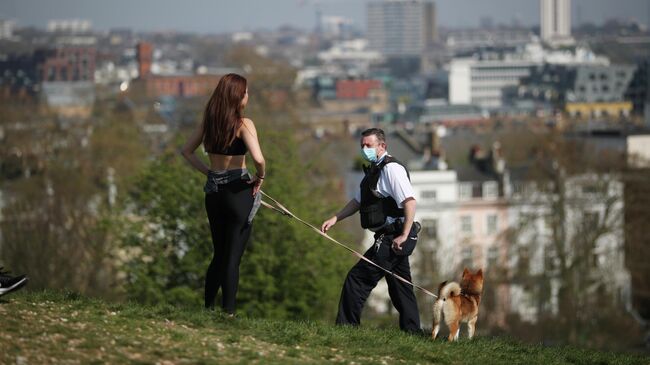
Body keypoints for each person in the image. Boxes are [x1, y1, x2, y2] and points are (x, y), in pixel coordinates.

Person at [321, 128, 421, 333]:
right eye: (362, 145)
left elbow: (410, 202)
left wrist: (403, 234)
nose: (364, 149)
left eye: (369, 145)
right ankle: (413, 332)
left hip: (394, 236)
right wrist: (335, 218)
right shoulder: (374, 170)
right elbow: (358, 201)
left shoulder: (392, 169)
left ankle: (346, 328)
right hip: (389, 236)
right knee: (400, 287)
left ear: (382, 146)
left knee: (357, 279)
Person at [181, 73, 266, 315]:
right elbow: (259, 159)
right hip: (238, 192)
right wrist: (260, 177)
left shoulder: (210, 123)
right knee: (233, 257)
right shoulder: (243, 124)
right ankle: (228, 311)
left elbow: (186, 151)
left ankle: (207, 308)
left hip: (214, 194)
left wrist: (208, 171)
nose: (248, 96)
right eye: (246, 92)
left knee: (218, 254)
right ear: (238, 96)